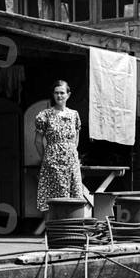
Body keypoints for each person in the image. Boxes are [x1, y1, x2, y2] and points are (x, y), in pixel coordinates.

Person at [34, 80, 85, 222]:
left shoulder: (74, 115)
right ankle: (54, 230)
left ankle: (71, 229)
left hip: (71, 162)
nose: (59, 96)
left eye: (62, 93)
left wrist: (72, 154)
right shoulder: (45, 115)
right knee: (55, 197)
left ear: (68, 95)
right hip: (53, 162)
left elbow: (76, 139)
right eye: (56, 93)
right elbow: (38, 141)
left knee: (74, 195)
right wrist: (46, 158)